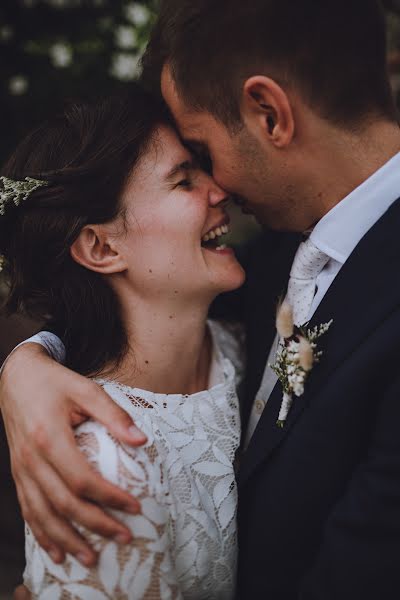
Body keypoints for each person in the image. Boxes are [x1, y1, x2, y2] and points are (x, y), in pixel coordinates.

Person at [2, 0, 400, 598]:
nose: (218, 188)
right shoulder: (272, 261)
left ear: (270, 114)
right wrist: (25, 367)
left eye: (203, 152)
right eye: (188, 174)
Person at [0, 89, 246, 598]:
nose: (218, 189)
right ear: (102, 247)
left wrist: (22, 362)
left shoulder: (241, 343)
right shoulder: (101, 464)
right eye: (184, 180)